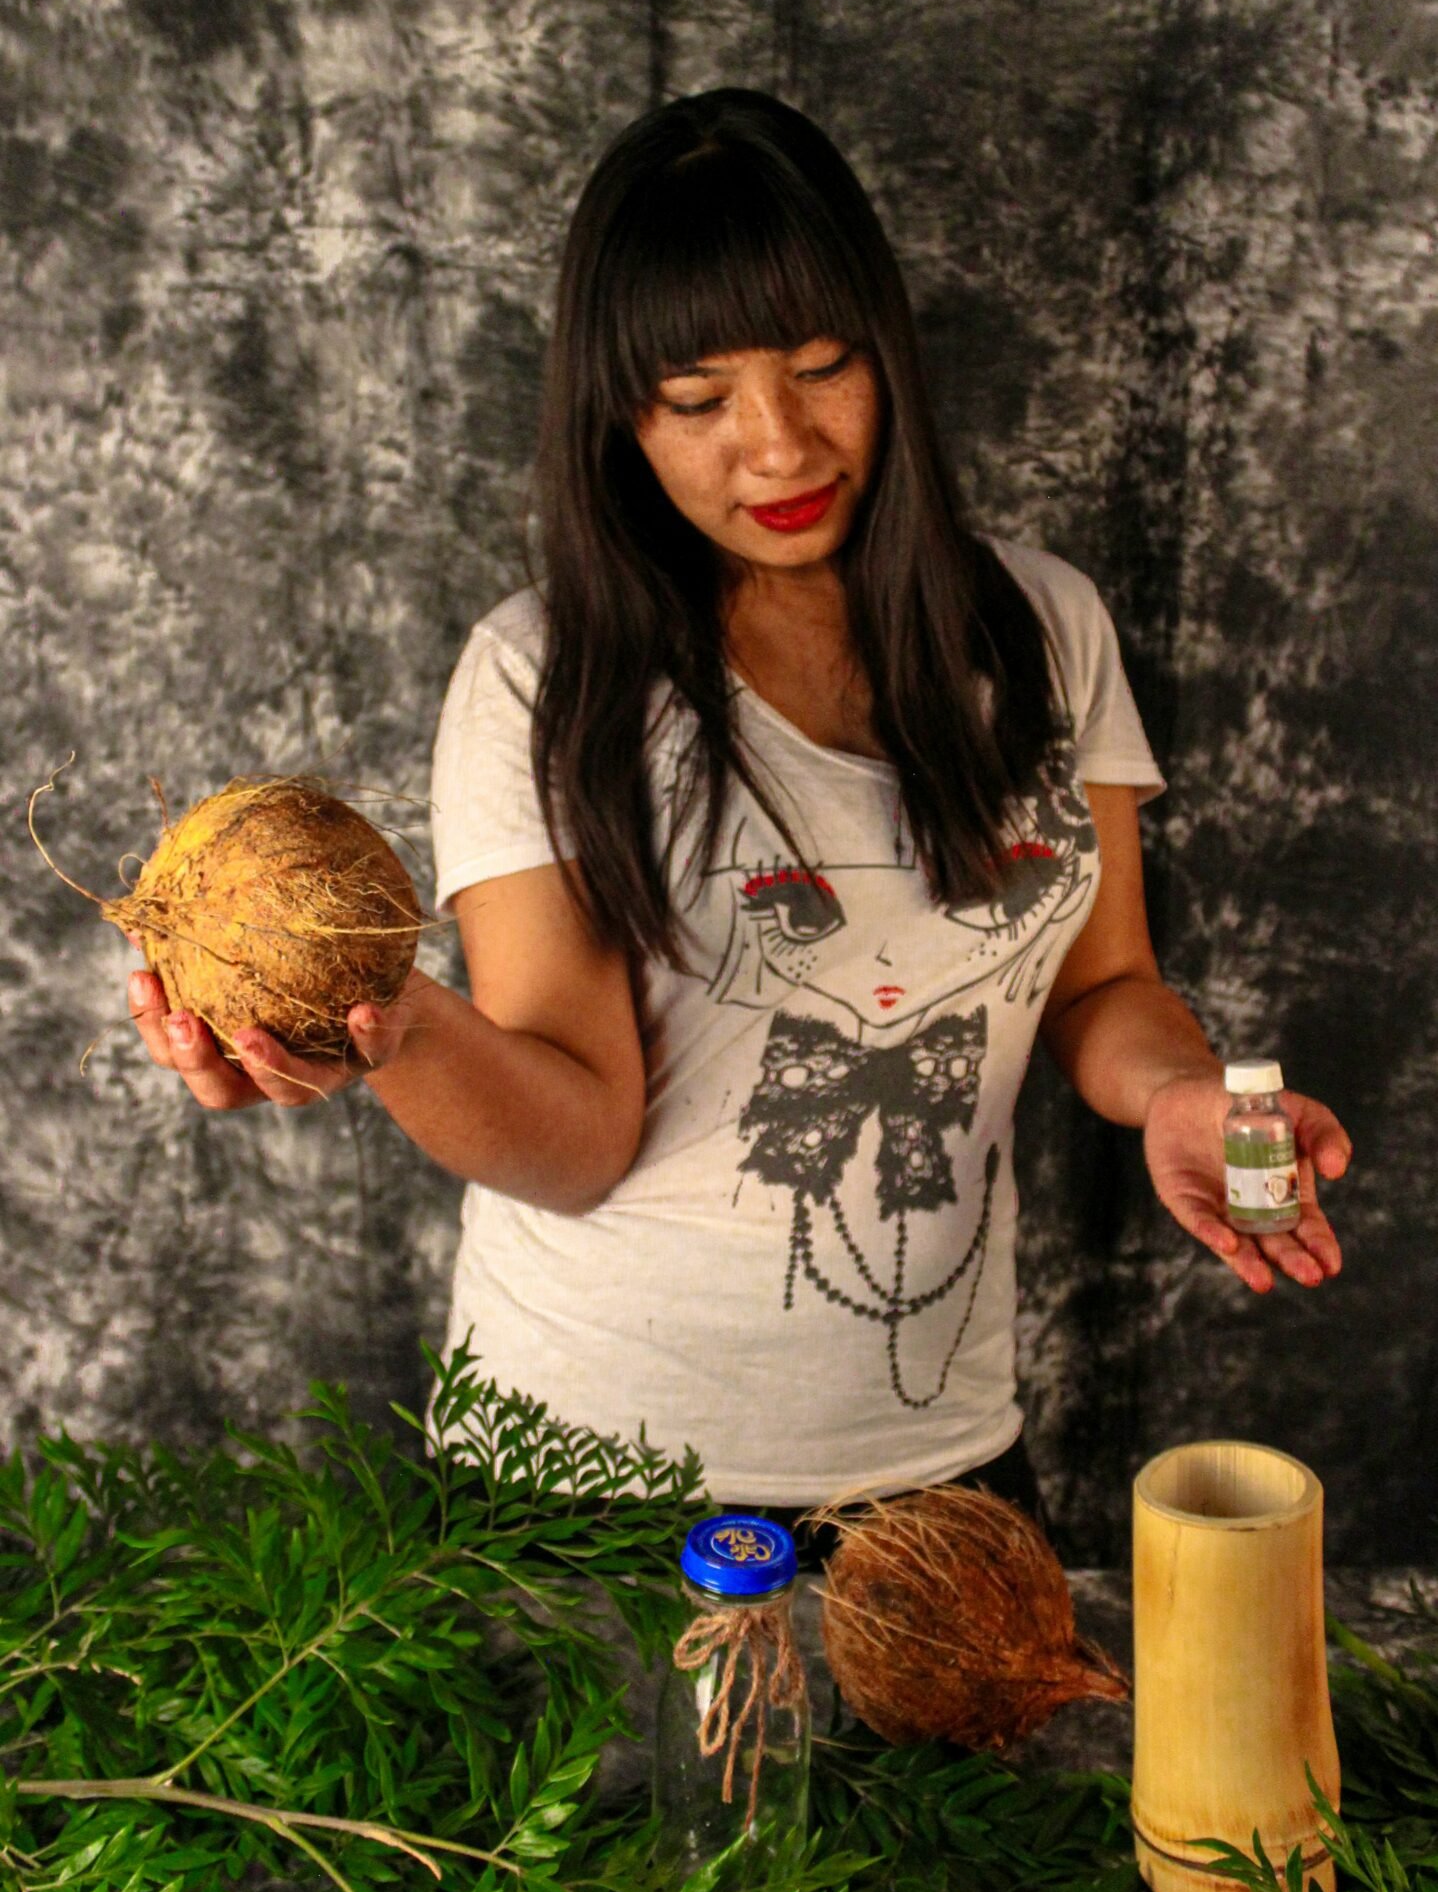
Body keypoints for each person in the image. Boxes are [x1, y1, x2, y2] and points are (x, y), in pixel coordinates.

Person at [126, 88, 1349, 1538]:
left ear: (885, 357)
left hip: (938, 1469)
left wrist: (1171, 1091)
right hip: (585, 1490)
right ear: (621, 418)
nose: (777, 448)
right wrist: (386, 1028)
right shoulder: (544, 676)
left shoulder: (1041, 626)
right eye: (699, 402)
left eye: (823, 368)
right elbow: (576, 1138)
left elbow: (1106, 986)